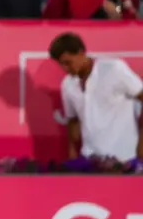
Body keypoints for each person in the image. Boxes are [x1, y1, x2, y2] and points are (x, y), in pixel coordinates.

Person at [49, 32, 143, 163]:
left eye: (68, 62)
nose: (65, 68)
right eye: (61, 64)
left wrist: (141, 145)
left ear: (81, 53)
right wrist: (72, 150)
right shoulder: (67, 84)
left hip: (125, 158)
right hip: (90, 160)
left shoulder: (114, 68)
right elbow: (73, 120)